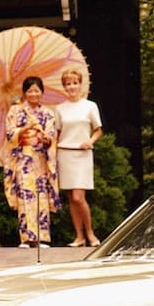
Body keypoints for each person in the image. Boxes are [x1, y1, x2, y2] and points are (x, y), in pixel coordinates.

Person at [3, 76, 60, 248]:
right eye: (30, 91)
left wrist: (45, 139)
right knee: (25, 197)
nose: (34, 94)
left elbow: (52, 137)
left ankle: (42, 238)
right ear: (24, 93)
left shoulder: (48, 113)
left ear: (42, 92)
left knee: (41, 197)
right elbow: (9, 134)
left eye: (37, 90)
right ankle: (27, 238)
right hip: (23, 159)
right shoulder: (15, 111)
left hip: (41, 160)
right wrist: (25, 129)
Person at [55, 68, 103, 247]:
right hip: (65, 152)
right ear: (64, 87)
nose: (71, 87)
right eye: (68, 84)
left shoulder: (90, 106)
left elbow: (98, 130)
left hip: (83, 155)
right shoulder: (59, 109)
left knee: (78, 197)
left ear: (80, 84)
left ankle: (90, 234)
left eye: (74, 83)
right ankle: (79, 237)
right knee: (70, 198)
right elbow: (57, 133)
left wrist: (90, 141)